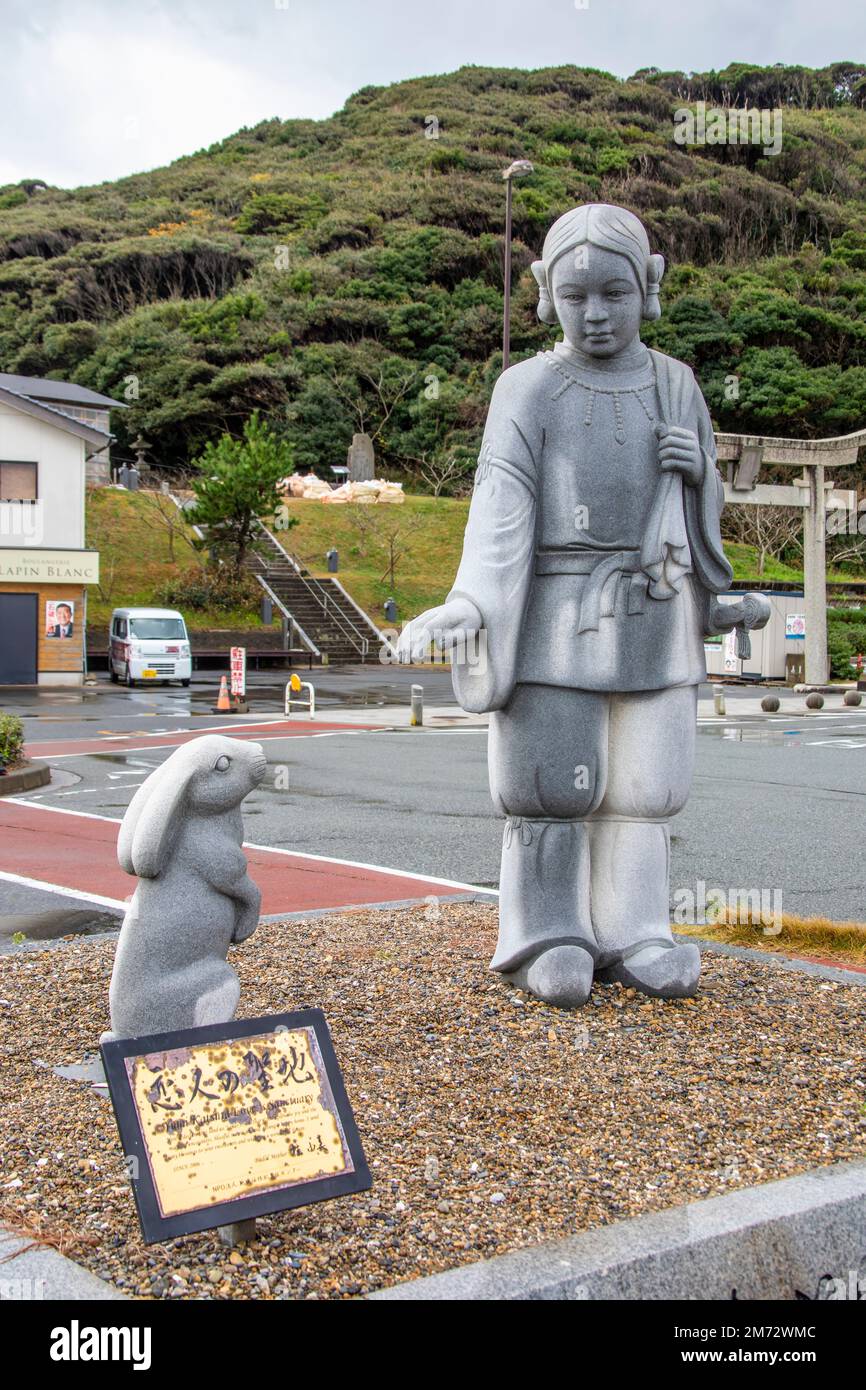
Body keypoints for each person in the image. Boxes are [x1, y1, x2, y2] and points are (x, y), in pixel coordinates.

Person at [399, 203, 767, 1008]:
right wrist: (471, 602)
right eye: (576, 296)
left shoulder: (677, 384)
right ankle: (547, 932)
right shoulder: (526, 388)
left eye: (615, 293)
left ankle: (636, 928)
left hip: (656, 605)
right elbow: (501, 507)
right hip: (551, 611)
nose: (596, 315)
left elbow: (700, 517)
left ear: (650, 287)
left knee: (645, 789)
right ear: (543, 293)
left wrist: (701, 475)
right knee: (551, 789)